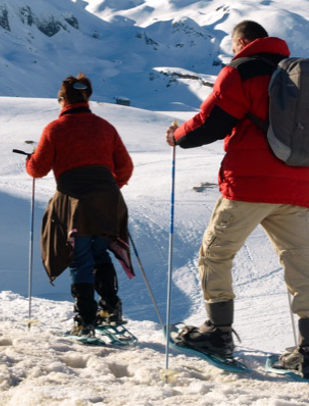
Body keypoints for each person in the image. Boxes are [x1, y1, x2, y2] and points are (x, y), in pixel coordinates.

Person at [165, 20, 309, 377]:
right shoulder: (296, 73)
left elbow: (210, 123)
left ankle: (217, 332)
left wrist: (177, 136)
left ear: (242, 41)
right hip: (299, 186)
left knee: (215, 254)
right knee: (301, 264)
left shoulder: (241, 71)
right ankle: (308, 350)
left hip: (248, 185)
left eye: (232, 45)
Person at [26, 73, 134, 336]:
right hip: (107, 199)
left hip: (74, 203)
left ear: (63, 99)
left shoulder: (55, 129)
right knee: (100, 253)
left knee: (80, 259)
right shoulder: (105, 127)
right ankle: (110, 308)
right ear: (87, 97)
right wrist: (108, 187)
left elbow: (38, 169)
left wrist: (28, 162)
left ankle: (85, 319)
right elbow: (125, 167)